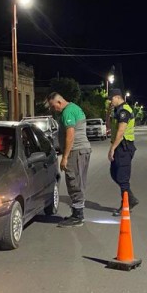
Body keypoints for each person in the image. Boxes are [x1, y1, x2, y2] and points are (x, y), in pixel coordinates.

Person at [46, 92, 91, 227]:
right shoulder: (74, 108)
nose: (53, 109)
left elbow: (70, 135)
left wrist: (65, 157)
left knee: (73, 182)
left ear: (59, 102)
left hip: (75, 151)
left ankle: (78, 216)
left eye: (53, 106)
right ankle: (77, 213)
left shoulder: (67, 112)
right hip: (82, 150)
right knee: (78, 181)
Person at [107, 88, 138, 216]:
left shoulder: (124, 111)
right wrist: (108, 112)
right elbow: (109, 127)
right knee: (114, 173)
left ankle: (126, 205)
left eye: (111, 99)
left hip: (124, 147)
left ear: (117, 97)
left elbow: (120, 132)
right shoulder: (117, 110)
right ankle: (131, 199)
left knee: (122, 177)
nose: (110, 101)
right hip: (119, 146)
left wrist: (112, 148)